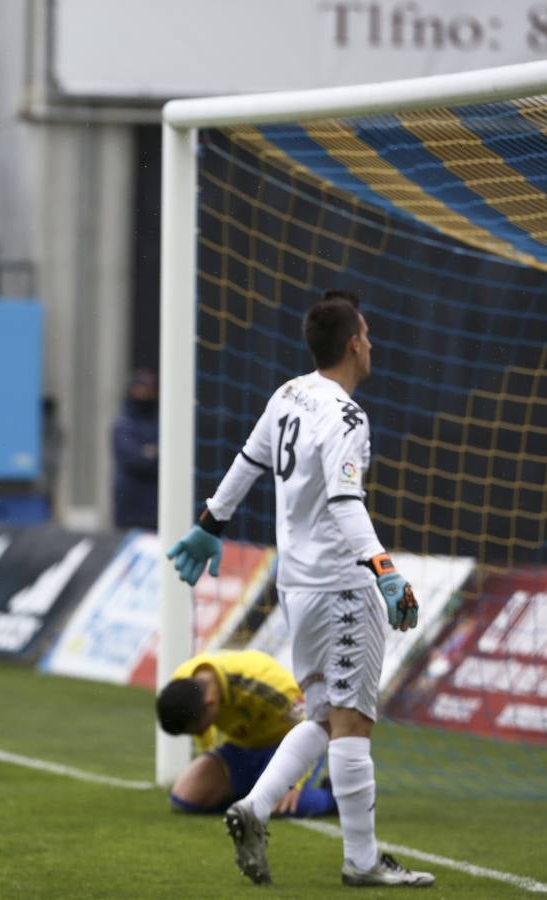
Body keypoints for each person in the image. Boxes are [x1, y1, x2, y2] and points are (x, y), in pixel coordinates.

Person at [166, 290, 434, 888]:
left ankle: (254, 807)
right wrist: (383, 568)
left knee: (320, 715)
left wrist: (211, 522)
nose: (371, 344)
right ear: (355, 343)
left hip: (295, 587)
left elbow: (247, 460)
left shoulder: (287, 394)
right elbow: (344, 500)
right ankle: (361, 862)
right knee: (353, 723)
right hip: (340, 586)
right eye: (367, 334)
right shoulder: (346, 416)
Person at [156, 650, 336, 818]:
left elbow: (313, 726)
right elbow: (205, 739)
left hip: (289, 746)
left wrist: (296, 784)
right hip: (240, 748)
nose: (201, 733)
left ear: (210, 703)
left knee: (280, 806)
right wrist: (209, 759)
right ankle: (253, 793)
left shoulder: (267, 685)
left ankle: (336, 796)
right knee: (185, 799)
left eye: (199, 729)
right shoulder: (183, 682)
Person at [111, 368, 159, 530]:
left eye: (150, 390)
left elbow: (164, 459)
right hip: (128, 506)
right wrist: (149, 455)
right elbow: (132, 459)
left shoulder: (162, 423)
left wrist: (149, 454)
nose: (146, 394)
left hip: (155, 508)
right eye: (142, 389)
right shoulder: (123, 424)